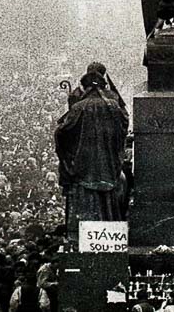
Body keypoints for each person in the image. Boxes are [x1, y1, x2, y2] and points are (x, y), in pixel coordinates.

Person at [54, 71, 129, 236]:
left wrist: (69, 155)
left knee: (87, 199)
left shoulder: (78, 107)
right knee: (110, 198)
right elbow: (124, 125)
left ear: (85, 87)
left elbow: (62, 132)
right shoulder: (113, 106)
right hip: (109, 163)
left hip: (85, 163)